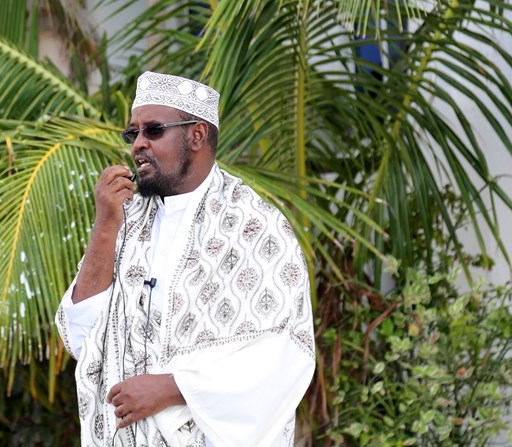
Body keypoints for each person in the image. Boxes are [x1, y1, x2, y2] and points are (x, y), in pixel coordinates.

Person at [55, 71, 316, 447]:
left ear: (197, 135)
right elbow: (83, 334)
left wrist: (172, 389)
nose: (138, 144)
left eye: (154, 130)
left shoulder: (255, 227)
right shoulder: (126, 219)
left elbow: (283, 355)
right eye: (133, 133)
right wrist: (105, 226)